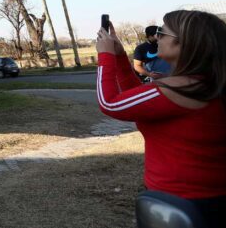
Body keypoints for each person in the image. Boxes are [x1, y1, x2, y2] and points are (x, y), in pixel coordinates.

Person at [96, 11, 226, 227]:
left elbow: (110, 103)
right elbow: (140, 102)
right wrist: (119, 57)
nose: (157, 37)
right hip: (210, 199)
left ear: (183, 44)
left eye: (162, 32)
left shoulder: (179, 88)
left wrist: (105, 56)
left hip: (181, 204)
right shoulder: (204, 84)